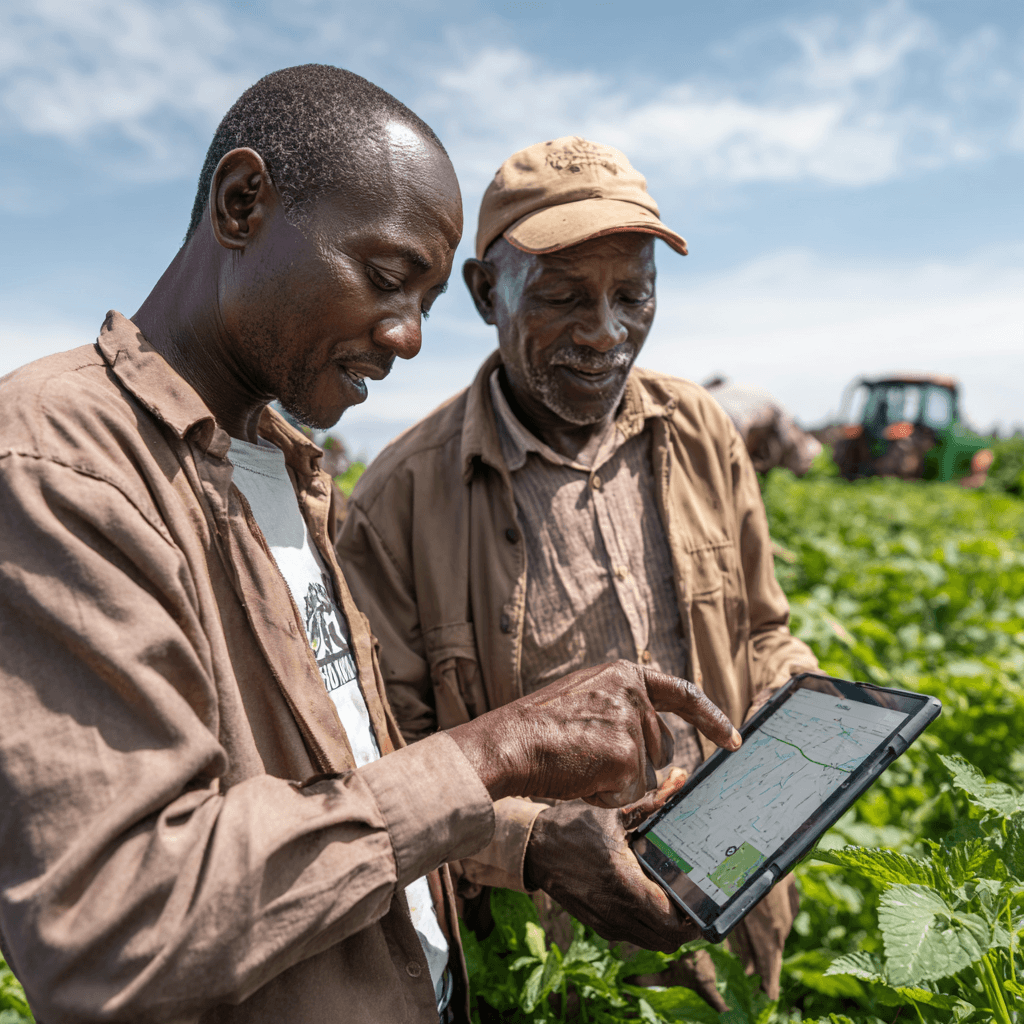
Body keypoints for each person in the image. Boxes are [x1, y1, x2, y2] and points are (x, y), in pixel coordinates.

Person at [0, 73, 743, 1024]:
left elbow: (350, 790)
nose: (408, 336)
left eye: (425, 299)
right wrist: (501, 748)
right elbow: (116, 925)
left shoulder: (282, 469)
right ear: (242, 204)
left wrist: (528, 840)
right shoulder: (62, 465)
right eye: (388, 279)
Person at [337, 136, 821, 1006]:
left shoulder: (702, 432)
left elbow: (761, 629)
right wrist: (533, 841)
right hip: (550, 967)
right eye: (562, 297)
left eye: (633, 295)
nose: (605, 332)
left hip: (734, 913)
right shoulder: (399, 500)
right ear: (486, 292)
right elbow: (391, 768)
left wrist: (800, 711)